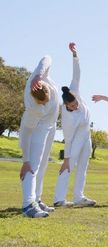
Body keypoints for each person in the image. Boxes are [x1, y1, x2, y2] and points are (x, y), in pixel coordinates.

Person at [53, 43, 96, 208]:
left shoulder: (74, 91)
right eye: (72, 106)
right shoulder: (67, 119)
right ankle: (59, 199)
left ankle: (79, 197)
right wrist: (66, 158)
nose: (75, 106)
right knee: (68, 166)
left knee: (83, 167)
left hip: (87, 136)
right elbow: (68, 139)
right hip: (75, 139)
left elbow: (77, 73)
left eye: (75, 103)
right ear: (66, 106)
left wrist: (75, 55)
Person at [19, 54, 60, 218]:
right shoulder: (32, 108)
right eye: (42, 102)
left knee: (43, 165)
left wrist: (39, 74)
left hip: (51, 125)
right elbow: (25, 132)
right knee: (33, 166)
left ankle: (37, 198)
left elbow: (47, 57)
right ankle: (28, 205)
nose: (45, 103)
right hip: (39, 127)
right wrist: (25, 160)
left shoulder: (40, 77)